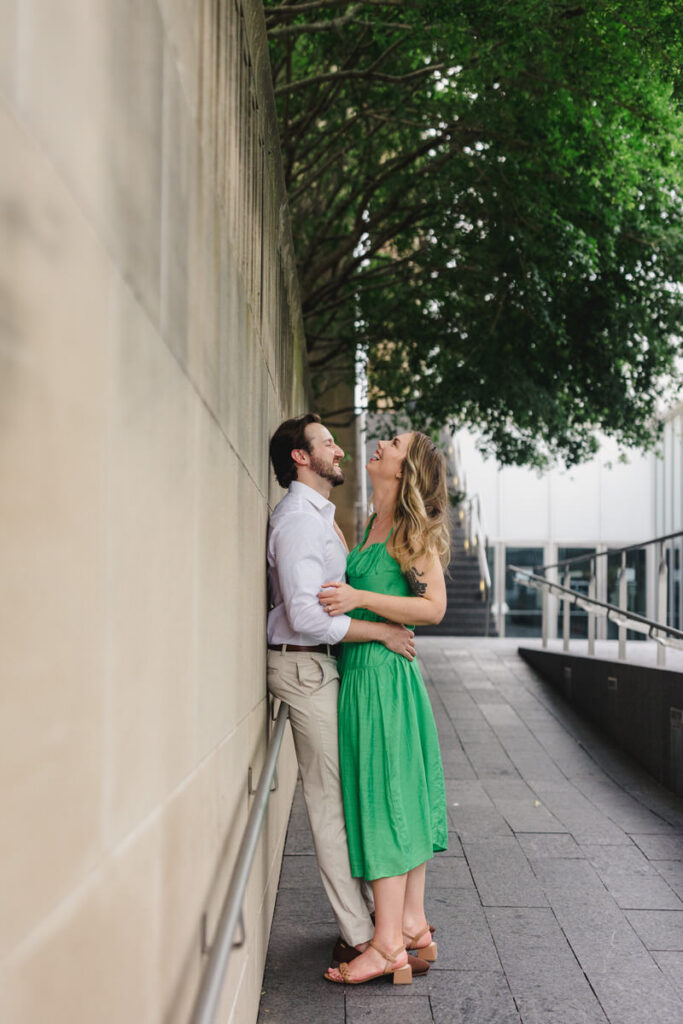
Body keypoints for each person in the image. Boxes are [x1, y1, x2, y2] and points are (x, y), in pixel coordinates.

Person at [266, 413, 422, 964]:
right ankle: (363, 937)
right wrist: (380, 630)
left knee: (351, 795)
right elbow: (306, 616)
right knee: (331, 805)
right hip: (304, 666)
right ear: (300, 458)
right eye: (327, 443)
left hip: (323, 666)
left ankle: (386, 926)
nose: (339, 450)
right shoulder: (298, 522)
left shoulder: (320, 518)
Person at [319, 431, 450, 986]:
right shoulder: (376, 522)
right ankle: (412, 924)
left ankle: (387, 944)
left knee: (384, 804)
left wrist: (359, 598)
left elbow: (434, 607)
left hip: (383, 685)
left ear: (406, 468)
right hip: (368, 676)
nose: (379, 444)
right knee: (398, 800)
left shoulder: (407, 531)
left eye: (393, 443)